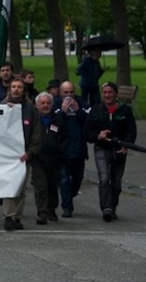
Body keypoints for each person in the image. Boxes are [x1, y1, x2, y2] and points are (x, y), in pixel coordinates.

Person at [86, 81, 137, 221]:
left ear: (116, 94)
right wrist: (98, 136)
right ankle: (106, 208)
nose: (107, 95)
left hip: (119, 149)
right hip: (101, 148)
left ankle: (112, 207)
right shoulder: (96, 109)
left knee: (116, 183)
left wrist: (126, 145)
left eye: (110, 92)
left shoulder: (125, 110)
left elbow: (131, 131)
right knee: (104, 179)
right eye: (105, 92)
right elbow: (87, 131)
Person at [3, 78, 41, 231]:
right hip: (6, 155)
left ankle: (17, 217)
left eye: (19, 87)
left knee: (21, 187)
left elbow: (36, 132)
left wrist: (30, 152)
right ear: (9, 89)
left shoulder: (31, 109)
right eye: (13, 87)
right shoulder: (1, 107)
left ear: (24, 90)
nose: (16, 89)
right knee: (8, 186)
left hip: (24, 155)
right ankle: (8, 216)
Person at [31, 92, 66, 225]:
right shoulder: (33, 120)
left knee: (52, 186)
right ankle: (42, 212)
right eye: (42, 103)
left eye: (48, 103)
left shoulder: (58, 119)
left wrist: (61, 150)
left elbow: (66, 136)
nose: (45, 106)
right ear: (37, 105)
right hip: (38, 158)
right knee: (41, 187)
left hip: (55, 158)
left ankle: (52, 209)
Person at [54, 81, 87, 218]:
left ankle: (70, 194)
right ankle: (67, 207)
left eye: (71, 92)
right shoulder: (55, 104)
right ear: (60, 93)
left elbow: (89, 121)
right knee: (64, 180)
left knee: (78, 178)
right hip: (63, 149)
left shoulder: (81, 103)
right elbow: (54, 124)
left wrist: (78, 110)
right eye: (65, 92)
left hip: (79, 148)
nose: (68, 95)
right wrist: (62, 111)